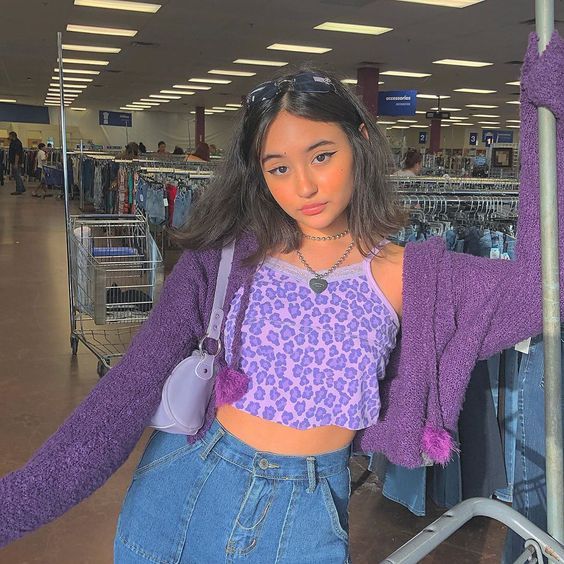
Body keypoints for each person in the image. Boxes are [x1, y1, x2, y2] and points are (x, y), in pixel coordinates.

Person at [0, 38, 562, 563]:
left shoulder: (413, 277)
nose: (304, 187)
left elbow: (541, 289)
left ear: (360, 143)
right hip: (186, 488)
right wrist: (14, 506)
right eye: (279, 168)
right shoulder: (223, 263)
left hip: (308, 512)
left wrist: (549, 117)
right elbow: (124, 395)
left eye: (321, 156)